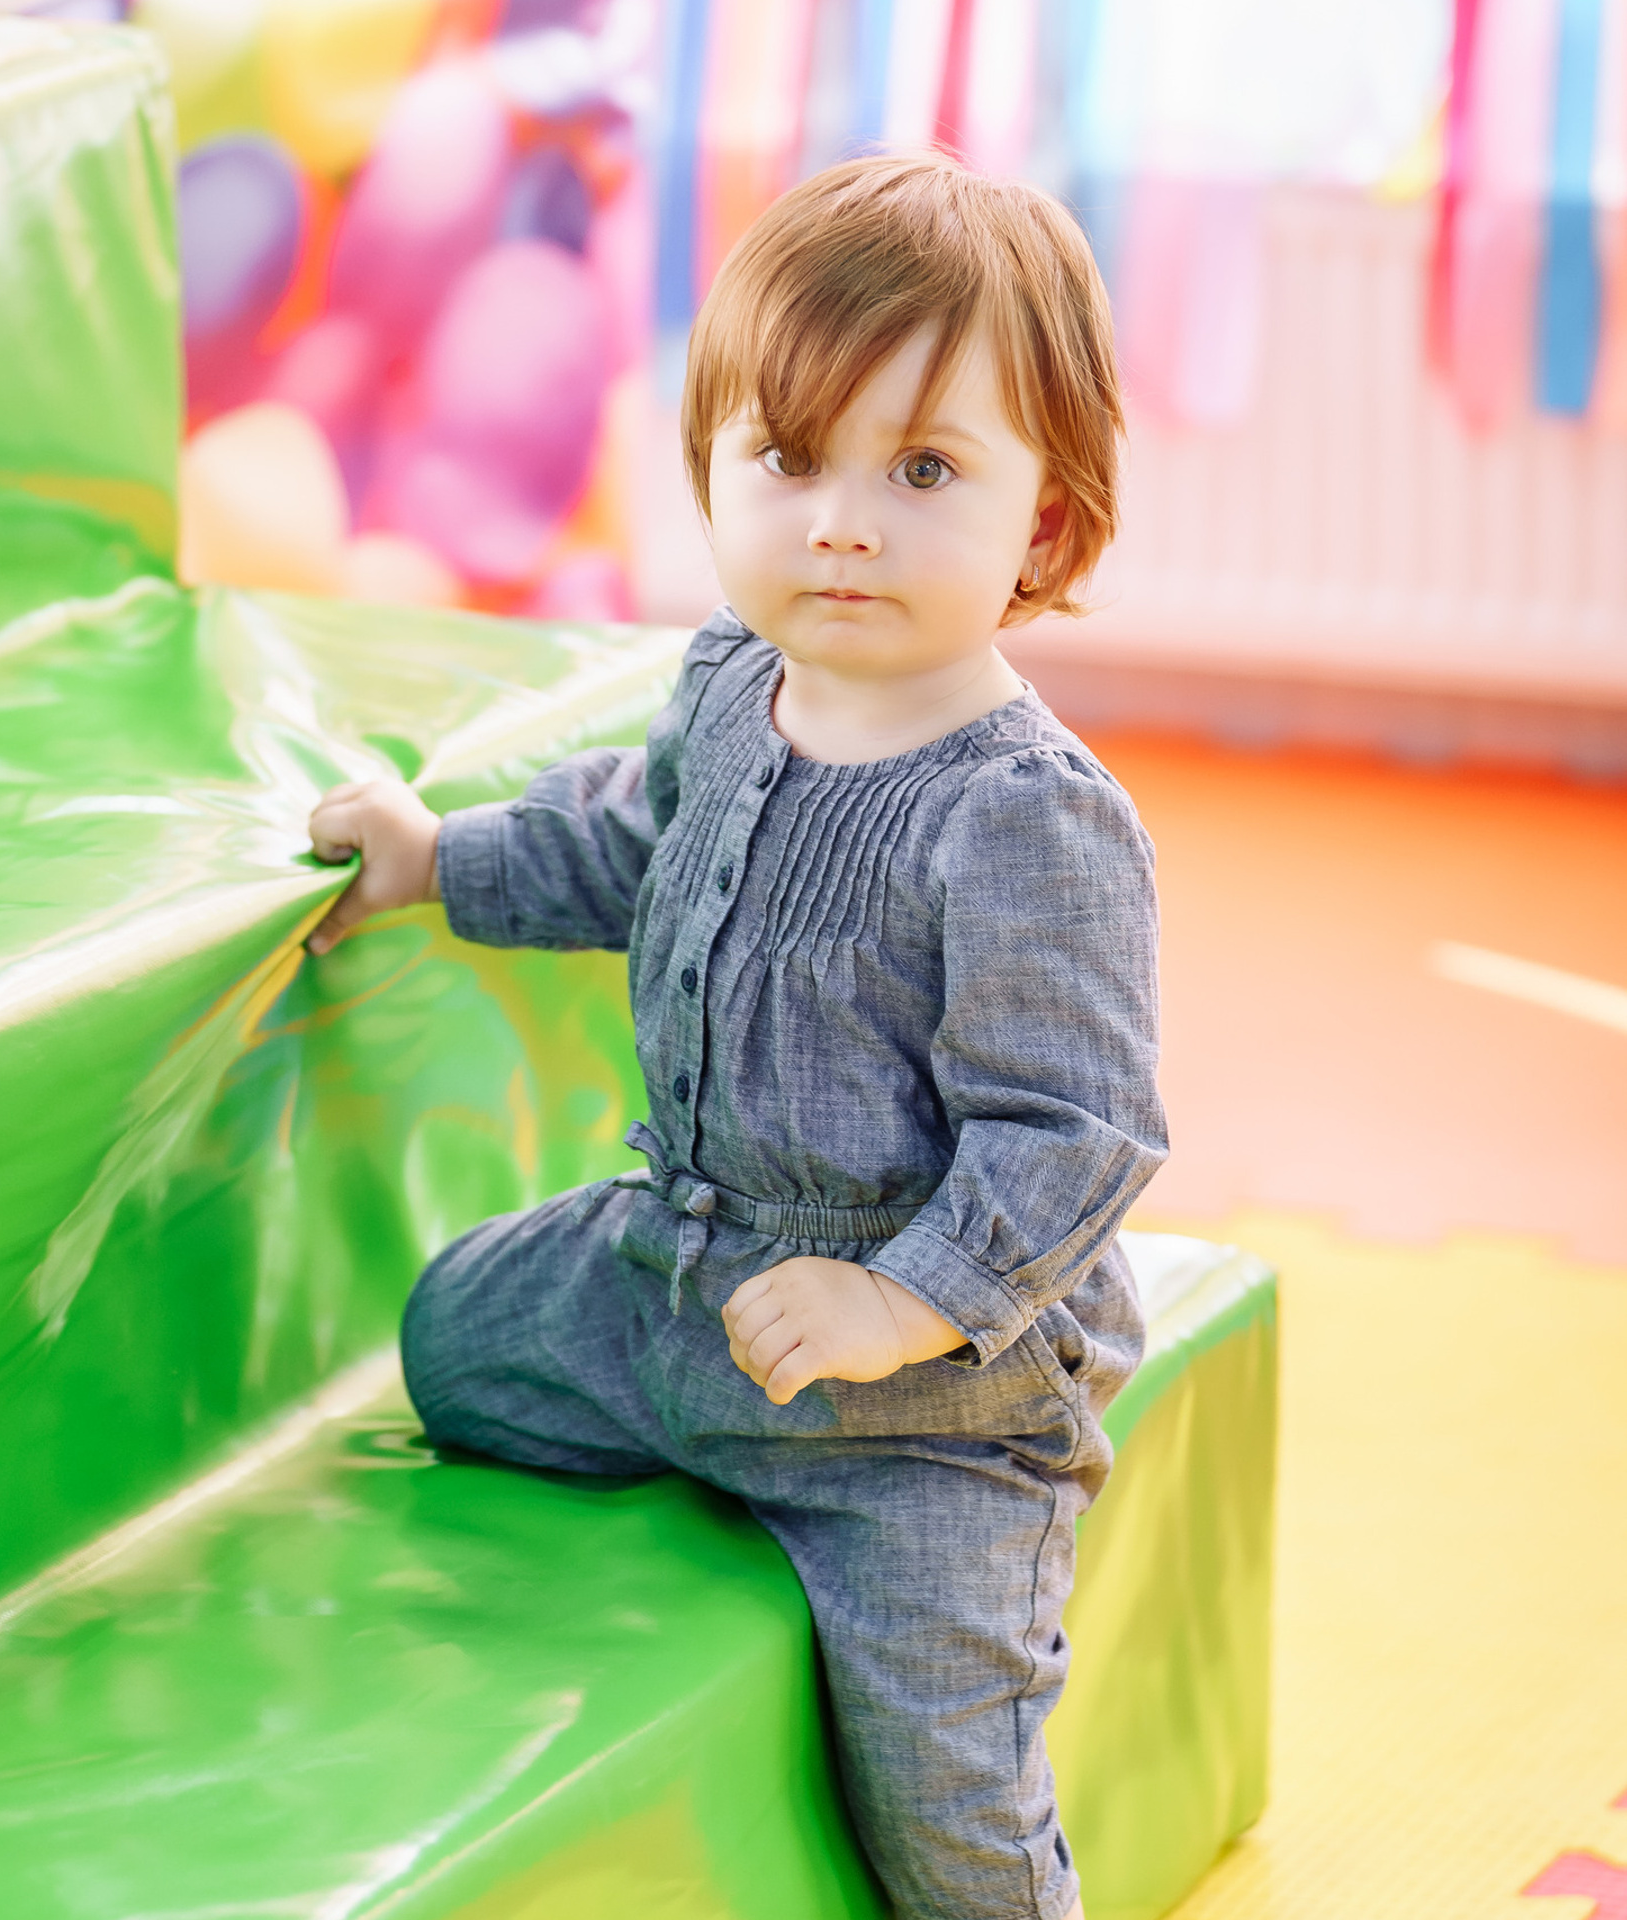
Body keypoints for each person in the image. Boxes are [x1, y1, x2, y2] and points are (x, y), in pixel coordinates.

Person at [304, 154, 1166, 1920]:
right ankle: (704, 1427)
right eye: (788, 457)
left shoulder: (1026, 819)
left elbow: (1072, 1133)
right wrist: (433, 861)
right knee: (453, 1343)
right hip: (683, 1274)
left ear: (1046, 530)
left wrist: (894, 1307)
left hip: (928, 1409)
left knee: (946, 1799)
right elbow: (637, 840)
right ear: (708, 470)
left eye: (923, 471)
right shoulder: (727, 677)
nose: (841, 522)